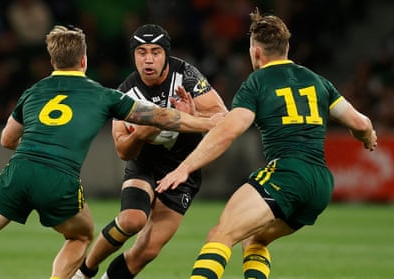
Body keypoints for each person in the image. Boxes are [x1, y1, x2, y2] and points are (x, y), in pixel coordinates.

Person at [0, 25, 220, 279]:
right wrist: (206, 122)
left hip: (17, 172)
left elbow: (6, 139)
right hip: (58, 179)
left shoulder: (34, 91)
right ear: (83, 60)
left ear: (52, 60)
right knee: (80, 236)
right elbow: (163, 118)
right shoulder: (104, 95)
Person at [156, 8, 377, 279]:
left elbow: (228, 131)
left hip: (286, 174)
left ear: (256, 52)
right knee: (255, 239)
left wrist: (185, 167)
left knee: (220, 235)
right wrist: (367, 138)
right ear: (286, 48)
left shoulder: (257, 81)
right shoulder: (318, 81)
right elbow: (361, 124)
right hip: (320, 184)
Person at [74, 24, 227, 279]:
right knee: (133, 220)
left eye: (155, 52)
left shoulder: (186, 76)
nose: (148, 59)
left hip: (182, 171)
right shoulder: (126, 92)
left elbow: (222, 116)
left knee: (148, 251)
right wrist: (144, 133)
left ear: (166, 54)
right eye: (141, 52)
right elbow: (123, 150)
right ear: (133, 55)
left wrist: (192, 115)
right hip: (144, 164)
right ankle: (84, 271)